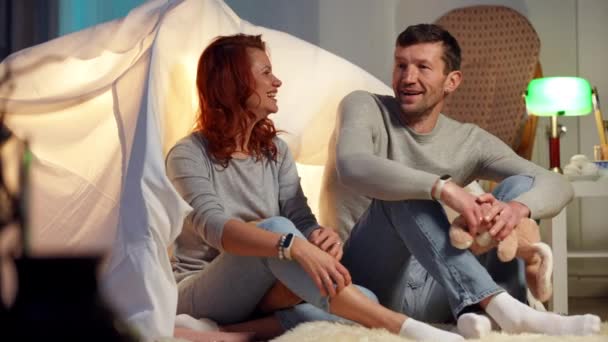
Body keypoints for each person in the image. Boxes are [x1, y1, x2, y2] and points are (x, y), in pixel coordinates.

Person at [166, 33, 466, 341]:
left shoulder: (276, 151)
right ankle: (402, 326)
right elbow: (218, 229)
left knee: (363, 299)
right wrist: (293, 245)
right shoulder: (187, 155)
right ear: (233, 82)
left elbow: (301, 219)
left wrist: (319, 237)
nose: (277, 81)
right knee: (278, 231)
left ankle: (229, 335)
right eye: (266, 73)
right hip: (201, 289)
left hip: (268, 289)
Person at [323, 24, 601, 338]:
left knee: (517, 186)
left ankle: (486, 311)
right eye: (401, 65)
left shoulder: (469, 140)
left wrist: (515, 210)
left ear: (451, 81)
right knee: (408, 193)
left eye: (423, 67)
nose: (408, 78)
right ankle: (505, 308)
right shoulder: (364, 106)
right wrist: (444, 188)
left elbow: (556, 183)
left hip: (439, 287)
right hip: (372, 283)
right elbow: (352, 165)